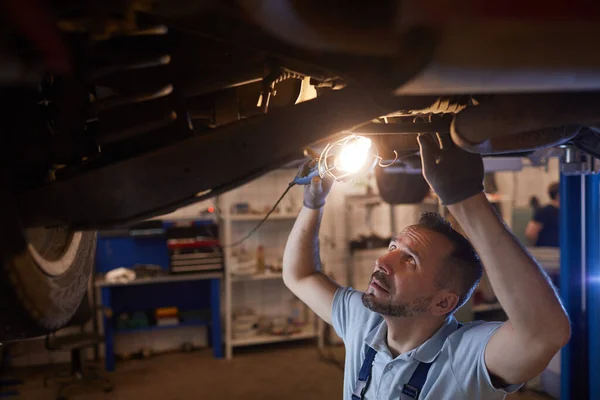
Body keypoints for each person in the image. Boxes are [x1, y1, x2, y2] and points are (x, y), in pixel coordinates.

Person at [283, 133, 570, 400]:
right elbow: (300, 275)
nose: (382, 261)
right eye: (393, 248)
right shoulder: (366, 321)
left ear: (443, 301)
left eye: (410, 260)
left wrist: (467, 199)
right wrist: (312, 206)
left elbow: (544, 334)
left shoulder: (464, 357)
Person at [525, 182, 560, 247]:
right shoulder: (544, 211)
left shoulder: (565, 213)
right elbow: (530, 233)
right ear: (558, 195)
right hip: (546, 249)